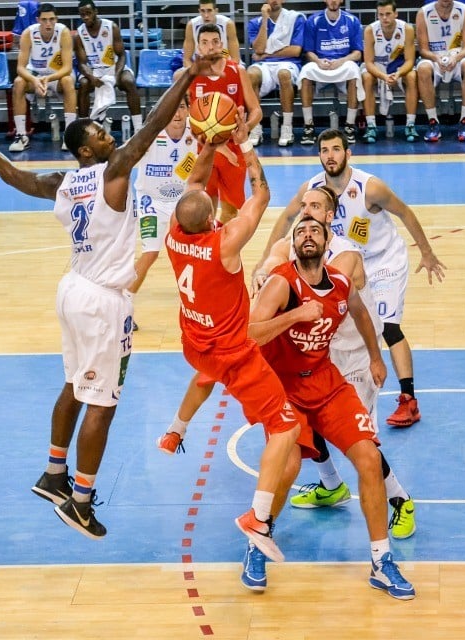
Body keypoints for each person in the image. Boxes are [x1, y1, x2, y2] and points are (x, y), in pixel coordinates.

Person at [0, 53, 221, 539]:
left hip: (73, 289)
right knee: (102, 401)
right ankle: (80, 500)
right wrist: (189, 74)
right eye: (100, 135)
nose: (110, 138)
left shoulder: (63, 183)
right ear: (85, 150)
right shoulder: (112, 171)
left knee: (73, 385)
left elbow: (16, 178)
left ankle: (53, 473)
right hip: (103, 299)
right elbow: (153, 124)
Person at [157, 188, 417, 540]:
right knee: (294, 440)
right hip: (306, 361)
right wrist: (265, 275)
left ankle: (400, 499)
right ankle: (316, 494)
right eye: (301, 211)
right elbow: (274, 260)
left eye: (314, 209)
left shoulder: (346, 259)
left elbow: (345, 302)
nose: (304, 214)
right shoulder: (291, 248)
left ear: (329, 219)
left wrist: (374, 356)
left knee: (363, 448)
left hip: (348, 357)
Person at [243, 214, 414, 598]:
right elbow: (250, 335)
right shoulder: (281, 282)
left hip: (325, 382)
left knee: (369, 458)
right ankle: (256, 541)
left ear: (325, 243)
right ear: (293, 244)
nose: (306, 235)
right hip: (282, 387)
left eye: (314, 231)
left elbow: (360, 311)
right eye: (300, 231)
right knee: (287, 465)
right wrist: (295, 315)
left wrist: (375, 356)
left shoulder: (338, 282)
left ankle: (381, 562)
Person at [166, 110, 309, 565]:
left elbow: (193, 184)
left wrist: (207, 144)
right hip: (233, 353)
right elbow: (261, 196)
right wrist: (244, 145)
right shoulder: (223, 244)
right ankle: (259, 517)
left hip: (195, 343)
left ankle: (175, 430)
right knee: (286, 427)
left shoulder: (174, 234)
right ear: (213, 219)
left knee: (203, 377)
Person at [257, 128, 446, 427]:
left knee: (388, 327)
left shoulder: (370, 187)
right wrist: (264, 260)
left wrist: (426, 252)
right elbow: (286, 218)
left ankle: (408, 399)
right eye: (324, 150)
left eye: (335, 149)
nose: (330, 156)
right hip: (341, 262)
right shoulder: (312, 189)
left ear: (348, 153)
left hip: (382, 261)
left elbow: (405, 212)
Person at [189, 23, 262, 224]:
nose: (210, 47)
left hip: (233, 150)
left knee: (230, 212)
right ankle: (209, 250)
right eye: (204, 42)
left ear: (221, 44)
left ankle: (224, 251)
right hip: (205, 150)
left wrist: (246, 127)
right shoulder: (191, 75)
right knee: (204, 211)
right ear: (198, 47)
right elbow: (189, 119)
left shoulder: (237, 71)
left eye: (214, 42)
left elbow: (256, 111)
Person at [130, 95, 198, 298]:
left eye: (182, 108)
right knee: (150, 253)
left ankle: (198, 299)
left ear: (188, 111)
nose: (177, 114)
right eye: (173, 109)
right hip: (151, 202)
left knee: (194, 253)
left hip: (181, 203)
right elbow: (124, 159)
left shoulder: (196, 133)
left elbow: (216, 146)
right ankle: (124, 303)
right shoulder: (149, 135)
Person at [9, 3, 77, 154]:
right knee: (18, 82)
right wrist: (35, 80)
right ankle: (21, 136)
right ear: (37, 20)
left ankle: (69, 135)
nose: (48, 23)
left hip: (57, 75)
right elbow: (20, 67)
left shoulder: (63, 32)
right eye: (44, 19)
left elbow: (68, 68)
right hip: (36, 76)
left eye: (52, 19)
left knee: (68, 81)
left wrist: (49, 78)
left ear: (56, 19)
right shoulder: (28, 33)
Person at [298, 0, 364, 145]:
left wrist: (342, 60)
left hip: (342, 63)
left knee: (354, 70)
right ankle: (308, 127)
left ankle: (349, 126)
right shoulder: (313, 20)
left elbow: (358, 53)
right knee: (305, 72)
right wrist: (318, 61)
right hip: (321, 63)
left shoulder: (352, 20)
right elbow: (308, 52)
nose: (333, 1)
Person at [74, 0, 142, 131]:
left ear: (96, 12)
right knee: (83, 84)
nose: (86, 17)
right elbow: (82, 63)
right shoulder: (79, 34)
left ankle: (139, 128)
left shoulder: (111, 27)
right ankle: (83, 129)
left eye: (88, 13)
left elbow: (122, 55)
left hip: (113, 67)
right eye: (82, 15)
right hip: (94, 70)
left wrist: (116, 76)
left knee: (128, 81)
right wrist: (91, 77)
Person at [415, 0, 465, 143]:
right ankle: (433, 123)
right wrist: (436, 58)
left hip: (458, 57)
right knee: (423, 69)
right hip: (434, 58)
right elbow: (423, 50)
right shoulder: (423, 13)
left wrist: (455, 58)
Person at [246, 0, 306, 147]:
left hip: (289, 63)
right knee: (250, 74)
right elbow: (259, 48)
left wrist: (266, 54)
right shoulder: (255, 23)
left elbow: (296, 50)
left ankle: (287, 128)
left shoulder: (295, 19)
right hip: (265, 66)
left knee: (284, 74)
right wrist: (265, 19)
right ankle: (255, 128)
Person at [361, 0, 419, 143]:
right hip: (377, 66)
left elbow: (410, 61)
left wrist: (398, 74)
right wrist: (383, 76)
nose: (384, 18)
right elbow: (368, 62)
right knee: (367, 78)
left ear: (396, 14)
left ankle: (410, 124)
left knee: (411, 76)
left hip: (398, 66)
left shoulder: (407, 29)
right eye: (381, 15)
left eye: (388, 14)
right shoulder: (370, 30)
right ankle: (371, 126)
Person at [175, 0, 242, 81]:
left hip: (225, 62)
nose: (206, 15)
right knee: (177, 76)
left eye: (209, 11)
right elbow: (187, 59)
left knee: (243, 74)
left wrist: (224, 72)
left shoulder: (228, 24)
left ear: (216, 11)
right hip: (200, 65)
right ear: (199, 11)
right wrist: (194, 73)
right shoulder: (191, 25)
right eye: (203, 11)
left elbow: (235, 58)